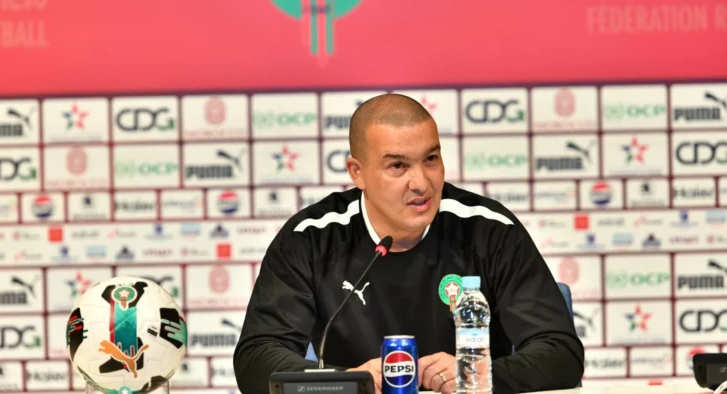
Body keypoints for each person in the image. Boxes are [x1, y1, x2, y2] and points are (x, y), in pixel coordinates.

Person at [233, 94, 584, 394]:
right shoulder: (311, 239)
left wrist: (475, 375)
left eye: (431, 159)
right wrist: (348, 382)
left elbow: (561, 352)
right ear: (358, 172)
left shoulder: (488, 230)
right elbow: (256, 357)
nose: (421, 183)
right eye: (398, 166)